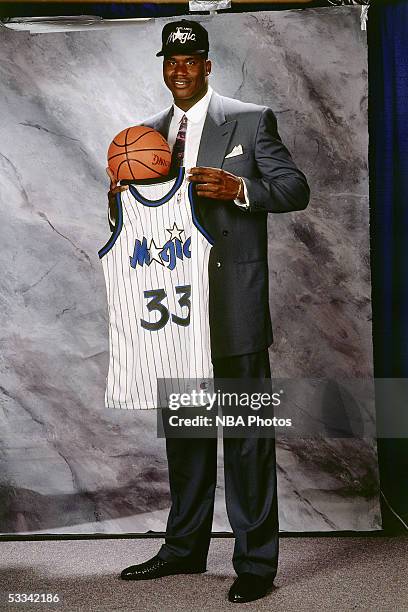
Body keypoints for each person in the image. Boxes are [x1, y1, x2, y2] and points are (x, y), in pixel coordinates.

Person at [107, 19, 310, 604]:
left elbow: (295, 189)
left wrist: (239, 190)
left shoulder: (250, 119)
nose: (180, 70)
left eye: (191, 60)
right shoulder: (142, 136)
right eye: (171, 60)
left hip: (234, 306)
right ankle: (183, 549)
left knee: (247, 436)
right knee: (185, 436)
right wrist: (116, 197)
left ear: (208, 65)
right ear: (164, 64)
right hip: (172, 310)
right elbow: (128, 229)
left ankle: (255, 563)